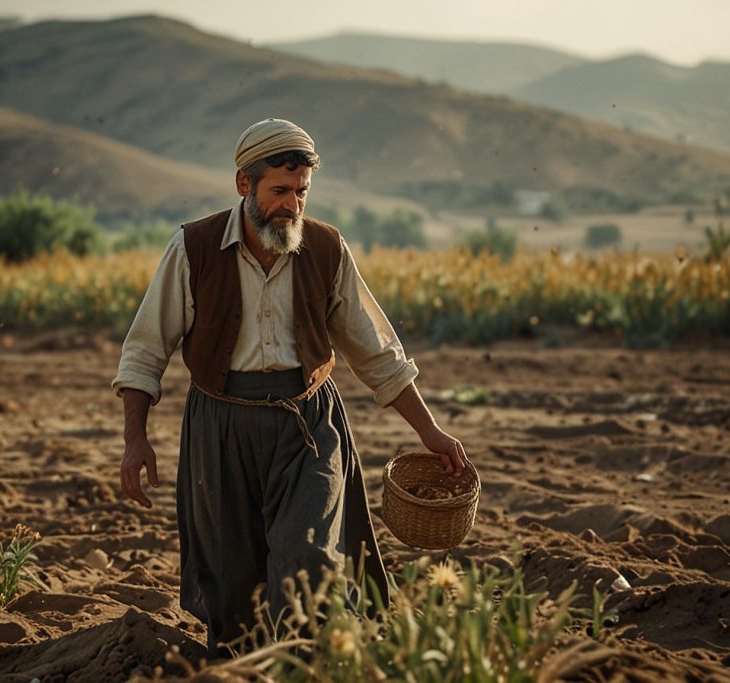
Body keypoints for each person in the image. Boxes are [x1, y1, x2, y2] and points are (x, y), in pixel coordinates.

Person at [113, 118, 468, 656]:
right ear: (243, 185)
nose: (292, 206)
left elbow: (377, 352)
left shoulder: (326, 249)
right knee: (236, 585)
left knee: (309, 560)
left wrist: (430, 430)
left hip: (309, 426)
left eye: (301, 192)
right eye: (279, 191)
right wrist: (134, 439)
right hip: (221, 425)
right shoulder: (194, 248)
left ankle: (310, 663)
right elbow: (144, 350)